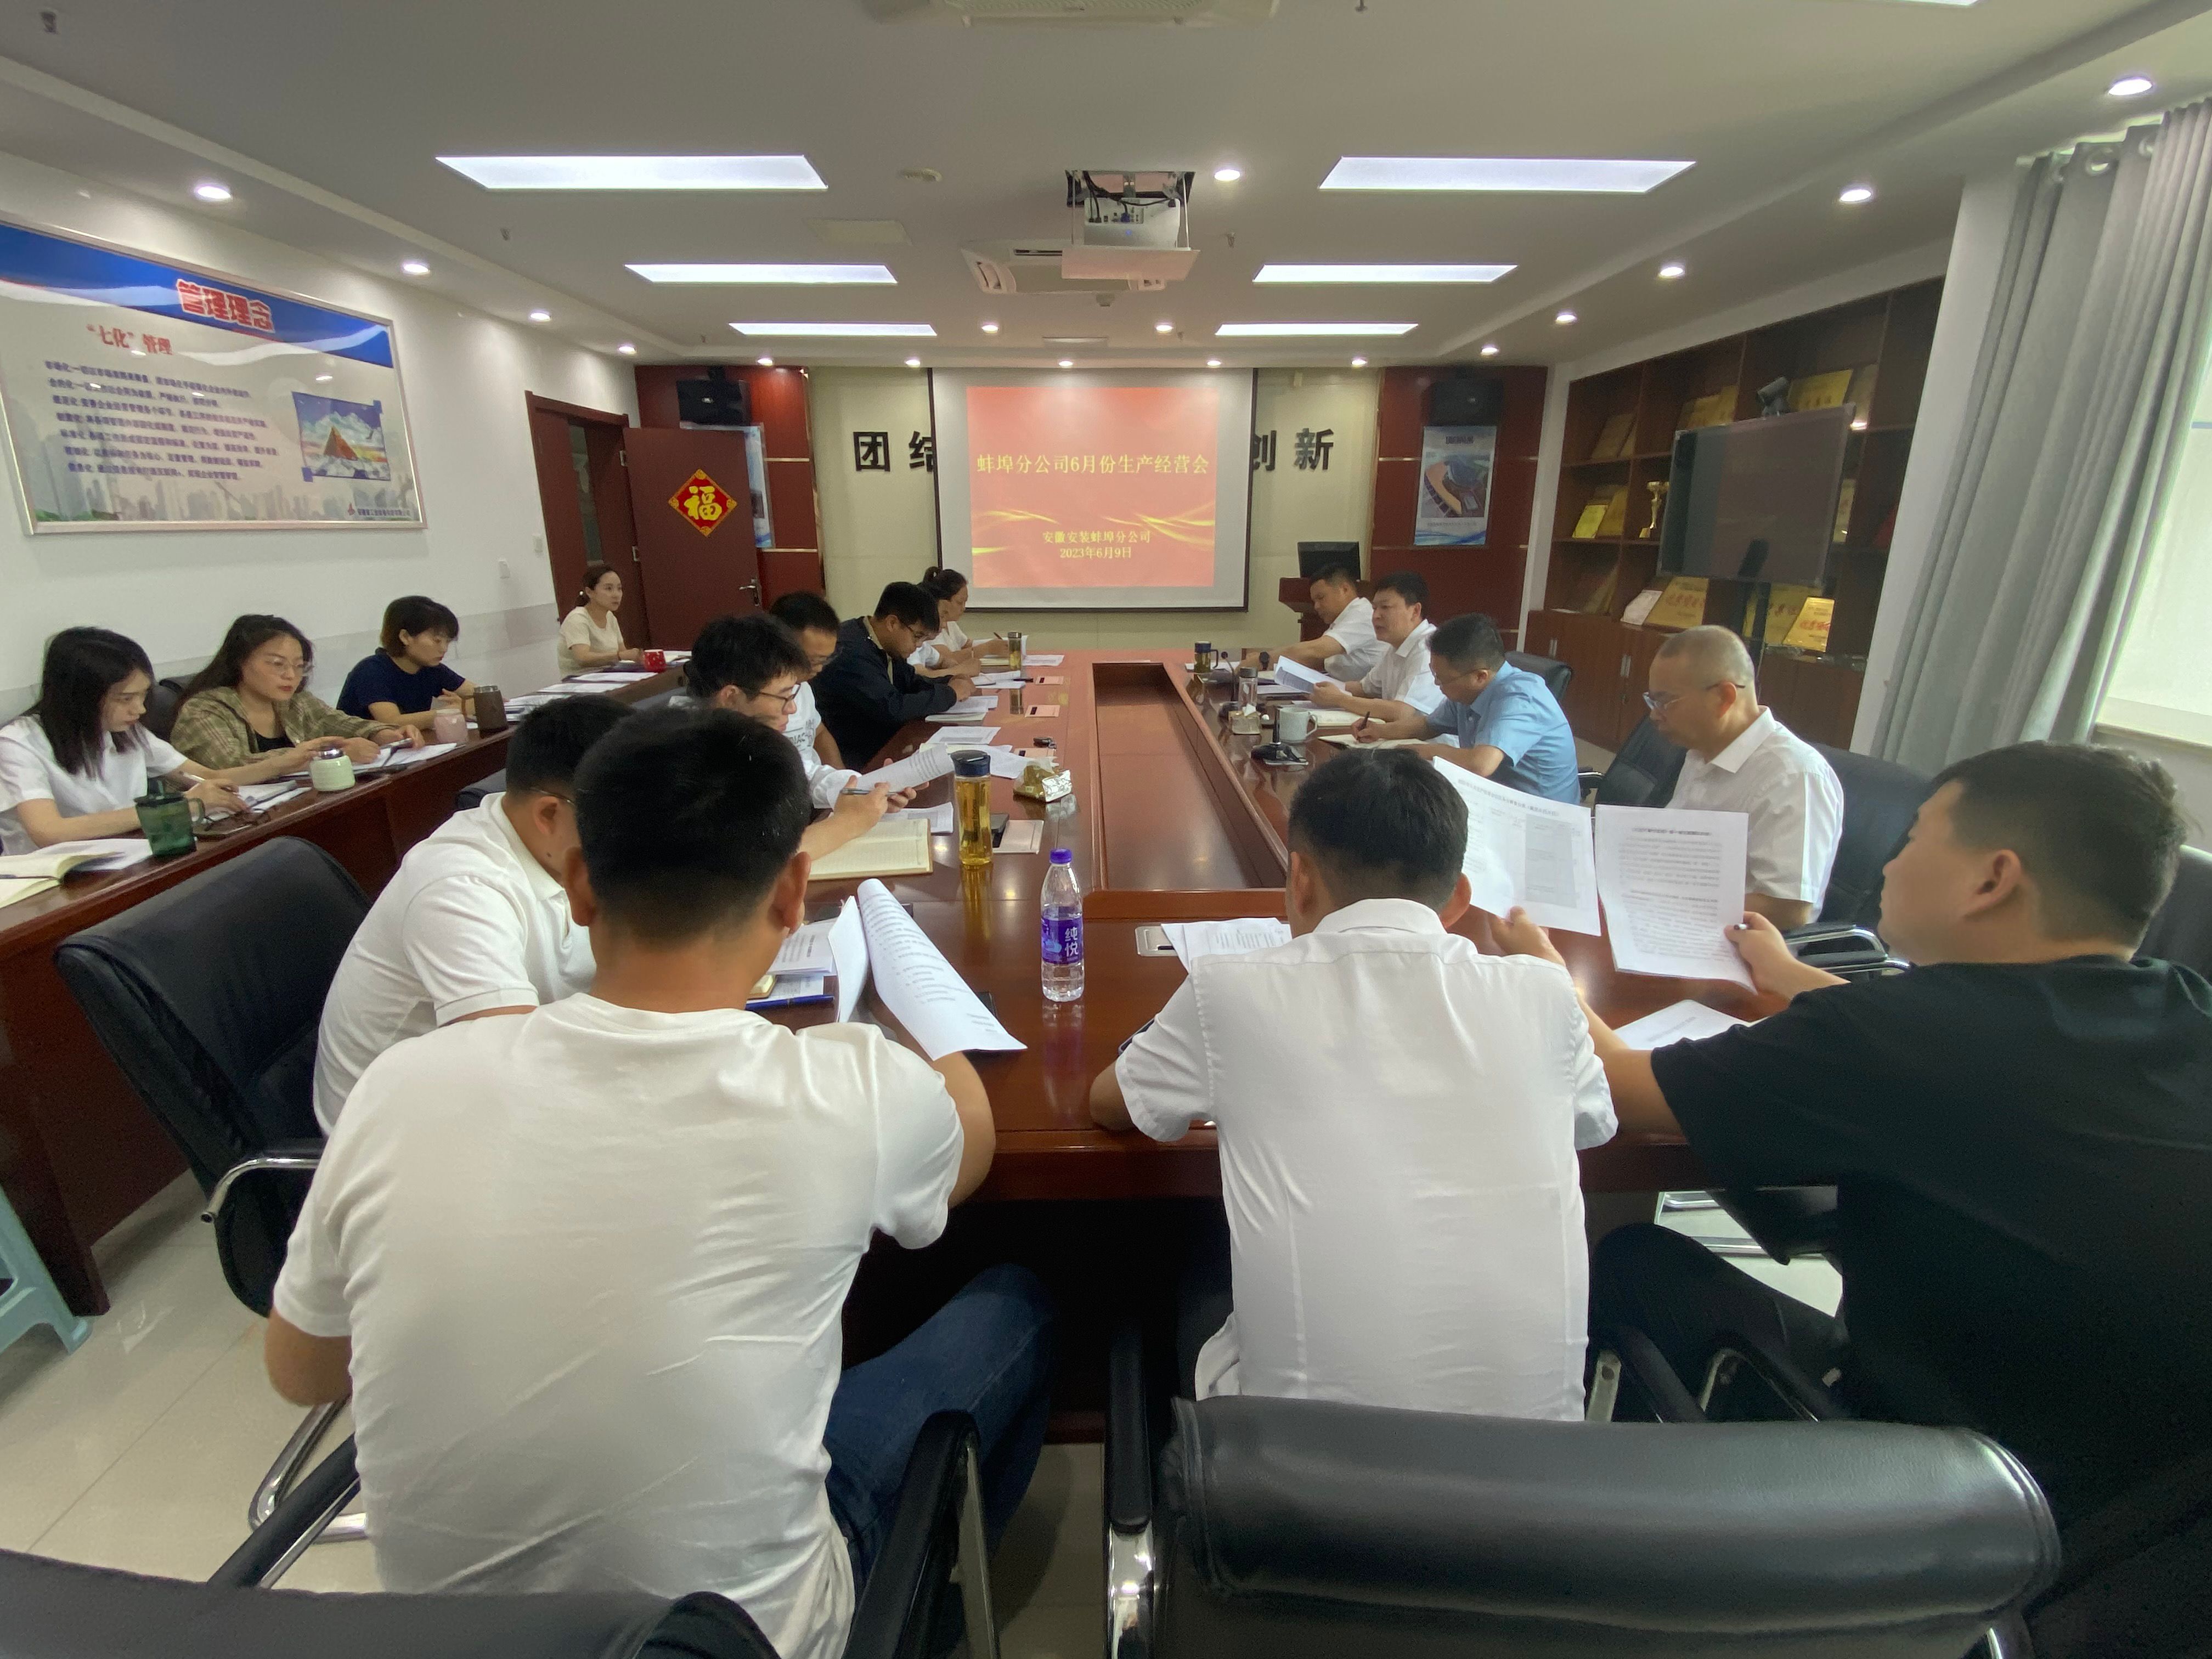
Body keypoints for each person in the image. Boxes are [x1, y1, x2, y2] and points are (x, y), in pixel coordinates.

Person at [266, 708, 1054, 1659]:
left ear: (579, 883)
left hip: (450, 1641)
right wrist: (934, 1023)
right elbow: (968, 1154)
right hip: (736, 1639)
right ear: (792, 892)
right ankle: (919, 1620)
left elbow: (304, 1371)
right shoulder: (850, 1085)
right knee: (1017, 1303)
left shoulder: (401, 1083)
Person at [1492, 741, 2212, 1527]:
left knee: (1634, 1261)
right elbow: (1965, 1039)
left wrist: (1545, 970)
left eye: (1913, 837)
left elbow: (1625, 1089)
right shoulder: (2187, 1004)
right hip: (2147, 1519)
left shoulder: (1891, 1036)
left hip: (1952, 1494)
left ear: (1993, 879)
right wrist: (1789, 975)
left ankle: (1652, 1538)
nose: (1890, 864)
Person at [1090, 747, 1613, 1415]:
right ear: (1458, 899)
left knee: (1188, 1250)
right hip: (1540, 1471)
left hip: (1301, 1468)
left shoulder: (1230, 992)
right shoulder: (1548, 995)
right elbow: (1594, 1123)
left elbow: (1110, 1103)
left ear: (1300, 879)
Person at [311, 696, 633, 1131]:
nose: (638, 841)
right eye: (625, 822)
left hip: (482, 1093)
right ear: (548, 814)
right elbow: (514, 1070)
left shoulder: (560, 846)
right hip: (393, 1131)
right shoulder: (460, 885)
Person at [0, 626, 302, 853]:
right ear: (79, 697)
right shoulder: (19, 743)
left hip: (126, 859)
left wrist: (289, 762)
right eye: (125, 698)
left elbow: (208, 776)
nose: (141, 709)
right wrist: (181, 807)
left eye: (144, 695)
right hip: (49, 886)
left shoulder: (127, 731)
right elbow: (49, 832)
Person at [1645, 625, 1842, 928]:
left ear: (1724, 697)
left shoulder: (1794, 775)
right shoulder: (1700, 752)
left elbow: (1790, 909)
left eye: (1665, 702)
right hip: (1669, 920)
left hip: (1737, 942)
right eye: (1652, 701)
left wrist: (1671, 902)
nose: (1654, 714)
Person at [685, 612, 907, 860]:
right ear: (731, 697)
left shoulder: (750, 738)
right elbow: (754, 860)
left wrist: (868, 789)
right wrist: (848, 823)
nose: (792, 709)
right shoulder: (687, 761)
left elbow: (805, 774)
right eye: (784, 696)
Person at [1357, 613, 1579, 803]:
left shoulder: (1521, 697)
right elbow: (1427, 726)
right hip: (1494, 796)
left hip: (1539, 814)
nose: (1437, 683)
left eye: (1442, 679)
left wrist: (1425, 751)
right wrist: (1379, 731)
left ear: (1480, 676)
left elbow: (1480, 764)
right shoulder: (1467, 692)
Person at [171, 614, 420, 771]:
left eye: (299, 666)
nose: (291, 675)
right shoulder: (203, 710)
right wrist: (333, 754)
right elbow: (232, 764)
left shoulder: (294, 701)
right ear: (240, 662)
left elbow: (337, 722)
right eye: (277, 664)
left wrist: (383, 733)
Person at [812, 582, 974, 766]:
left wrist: (950, 681)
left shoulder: (882, 643)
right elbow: (892, 708)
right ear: (892, 623)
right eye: (917, 636)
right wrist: (951, 694)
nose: (919, 645)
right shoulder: (851, 651)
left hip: (882, 747)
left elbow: (910, 682)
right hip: (856, 759)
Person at [1308, 571, 1443, 726]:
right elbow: (1363, 689)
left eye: (1385, 607)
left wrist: (1339, 699)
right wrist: (1317, 687)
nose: (1376, 616)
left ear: (1415, 611)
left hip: (1429, 741)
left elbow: (1401, 713)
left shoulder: (1428, 648)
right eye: (1374, 608)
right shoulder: (1395, 646)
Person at [337, 595, 477, 731]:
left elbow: (484, 695)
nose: (444, 649)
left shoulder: (432, 669)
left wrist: (465, 706)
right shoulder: (371, 670)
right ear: (405, 637)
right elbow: (392, 723)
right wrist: (458, 709)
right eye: (437, 641)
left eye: (448, 642)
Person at [1254, 562, 1385, 683]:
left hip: (1365, 696)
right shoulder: (1340, 620)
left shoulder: (1362, 614)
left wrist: (1263, 659)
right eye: (1314, 601)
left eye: (1321, 598)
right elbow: (1315, 660)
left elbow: (1315, 651)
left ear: (1345, 589)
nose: (1316, 607)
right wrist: (1268, 660)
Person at [770, 590, 849, 772]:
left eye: (824, 660)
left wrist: (843, 777)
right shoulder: (761, 699)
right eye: (813, 661)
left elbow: (819, 733)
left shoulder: (803, 686)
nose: (819, 669)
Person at [910, 566, 1001, 678]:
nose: (944, 625)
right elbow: (922, 676)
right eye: (959, 602)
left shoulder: (923, 646)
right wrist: (961, 670)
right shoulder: (912, 645)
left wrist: (952, 666)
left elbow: (944, 660)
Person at [557, 563, 642, 674]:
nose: (616, 595)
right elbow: (582, 658)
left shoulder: (610, 617)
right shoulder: (577, 619)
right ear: (590, 592)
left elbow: (623, 652)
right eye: (609, 589)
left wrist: (636, 657)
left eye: (619, 589)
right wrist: (619, 656)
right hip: (580, 679)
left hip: (610, 674)